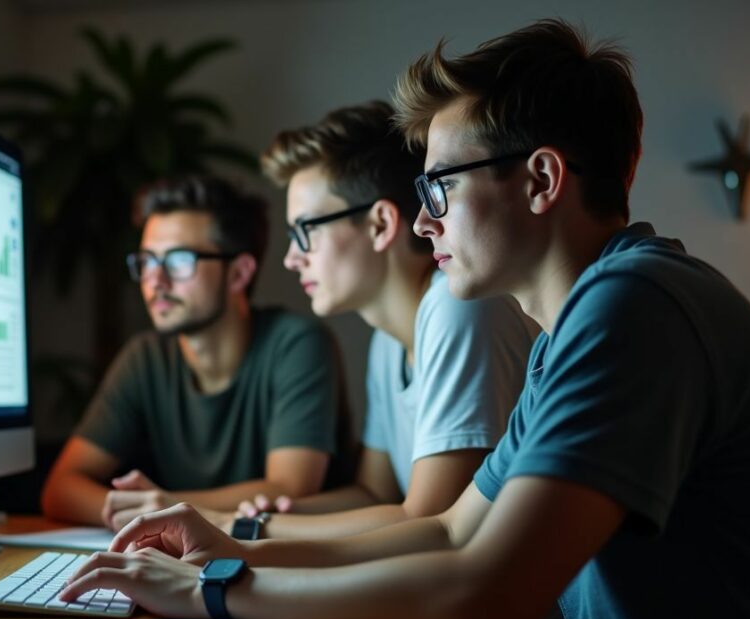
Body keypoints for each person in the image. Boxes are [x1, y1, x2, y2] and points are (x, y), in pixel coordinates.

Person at [59, 20, 750, 619]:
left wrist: (215, 589)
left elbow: (485, 599)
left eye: (440, 187)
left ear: (541, 180)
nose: (422, 222)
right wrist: (235, 548)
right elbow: (450, 531)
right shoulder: (578, 329)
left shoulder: (635, 309)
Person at [205, 101, 534, 541]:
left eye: (307, 231)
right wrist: (284, 514)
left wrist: (249, 529)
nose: (290, 258)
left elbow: (427, 517)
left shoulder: (456, 307)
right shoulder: (389, 341)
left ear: (381, 224)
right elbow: (374, 492)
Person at [41, 175, 354, 531]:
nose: (155, 281)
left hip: (290, 561)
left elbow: (290, 488)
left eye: (178, 261)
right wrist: (147, 515)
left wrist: (166, 507)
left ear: (239, 273)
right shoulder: (145, 358)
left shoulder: (296, 343)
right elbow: (61, 489)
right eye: (146, 261)